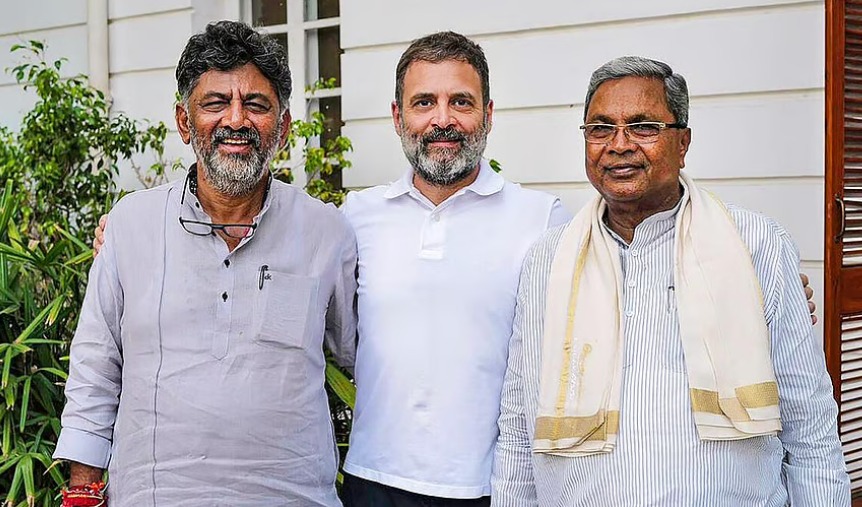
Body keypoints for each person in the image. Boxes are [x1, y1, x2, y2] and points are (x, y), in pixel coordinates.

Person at [491, 56, 849, 506]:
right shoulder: (549, 261)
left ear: (683, 143)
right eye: (600, 128)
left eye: (643, 127)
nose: (618, 145)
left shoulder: (756, 246)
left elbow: (810, 429)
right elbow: (519, 429)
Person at [54, 21, 357, 506]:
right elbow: (95, 369)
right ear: (184, 121)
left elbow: (363, 352)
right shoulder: (131, 225)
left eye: (255, 104)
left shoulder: (327, 232)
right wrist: (83, 491)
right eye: (215, 102)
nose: (236, 119)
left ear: (282, 127)